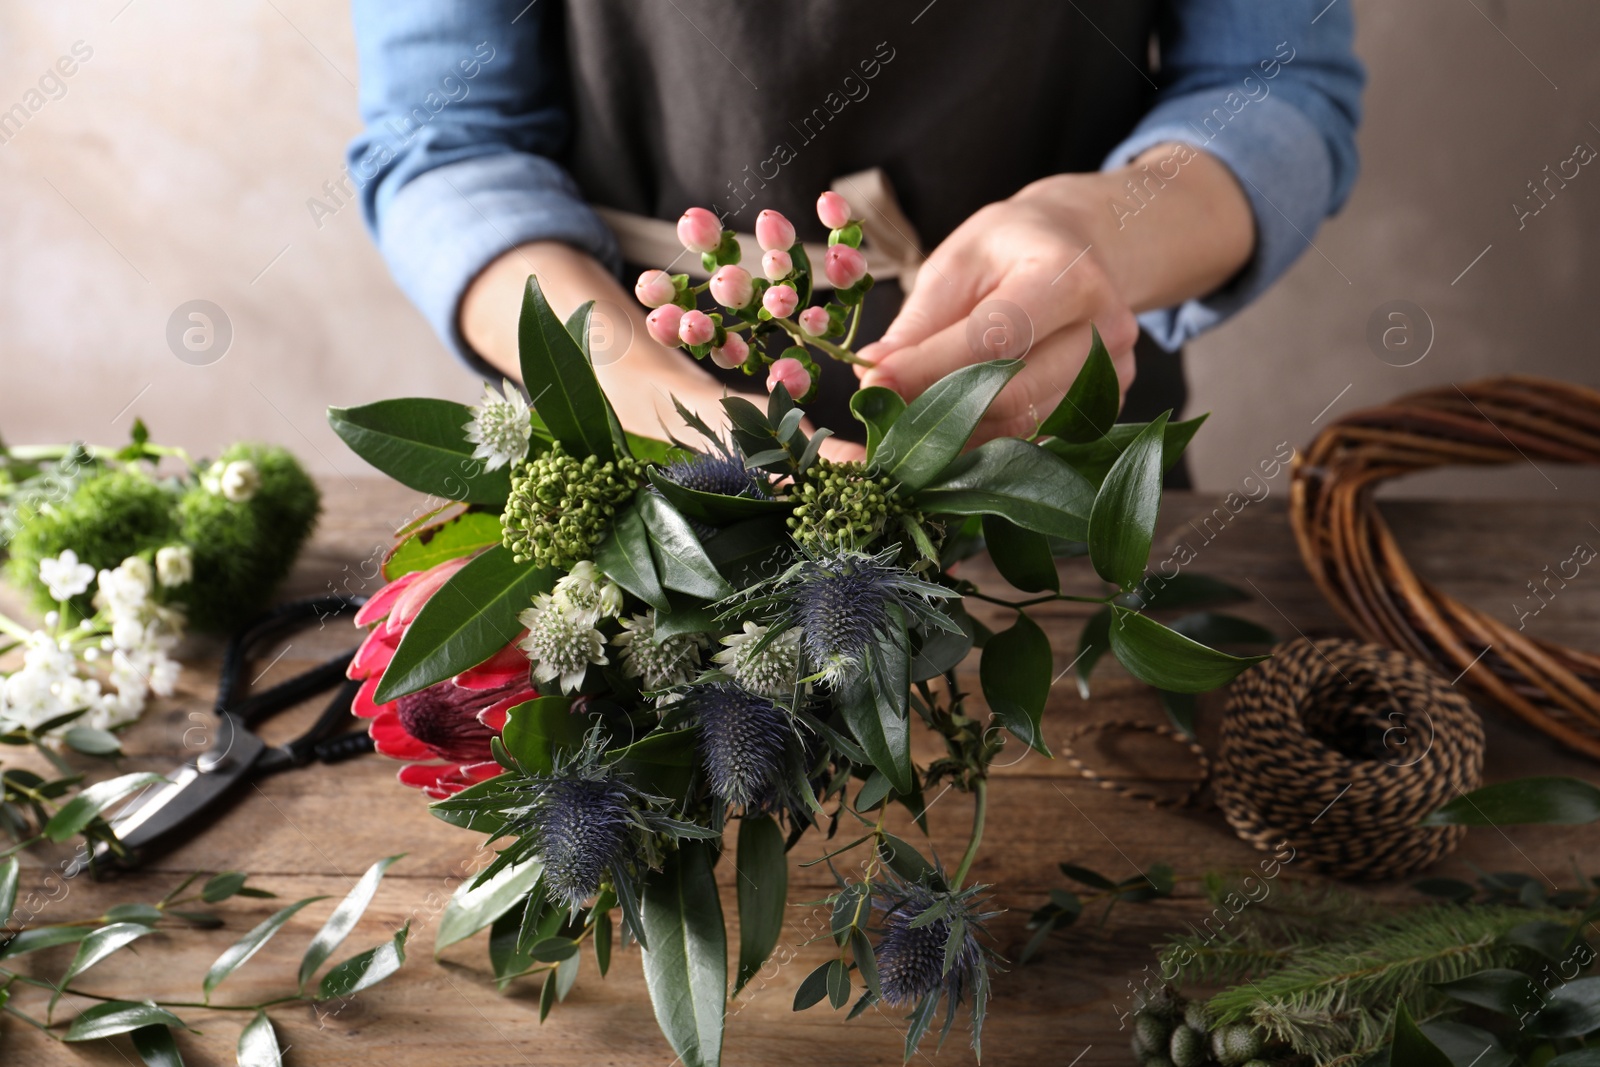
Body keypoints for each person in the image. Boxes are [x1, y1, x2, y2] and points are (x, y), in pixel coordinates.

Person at [347, 1, 1363, 476]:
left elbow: (1273, 84)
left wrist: (1095, 232)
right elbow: (446, 143)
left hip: (1060, 479)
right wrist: (642, 395)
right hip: (631, 474)